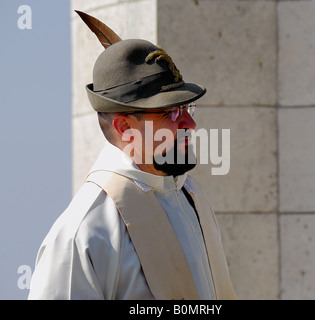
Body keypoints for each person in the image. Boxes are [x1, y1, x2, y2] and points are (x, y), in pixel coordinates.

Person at [28, 36, 235, 300]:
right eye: (170, 112)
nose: (189, 124)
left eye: (187, 108)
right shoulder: (83, 232)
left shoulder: (190, 196)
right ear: (125, 128)